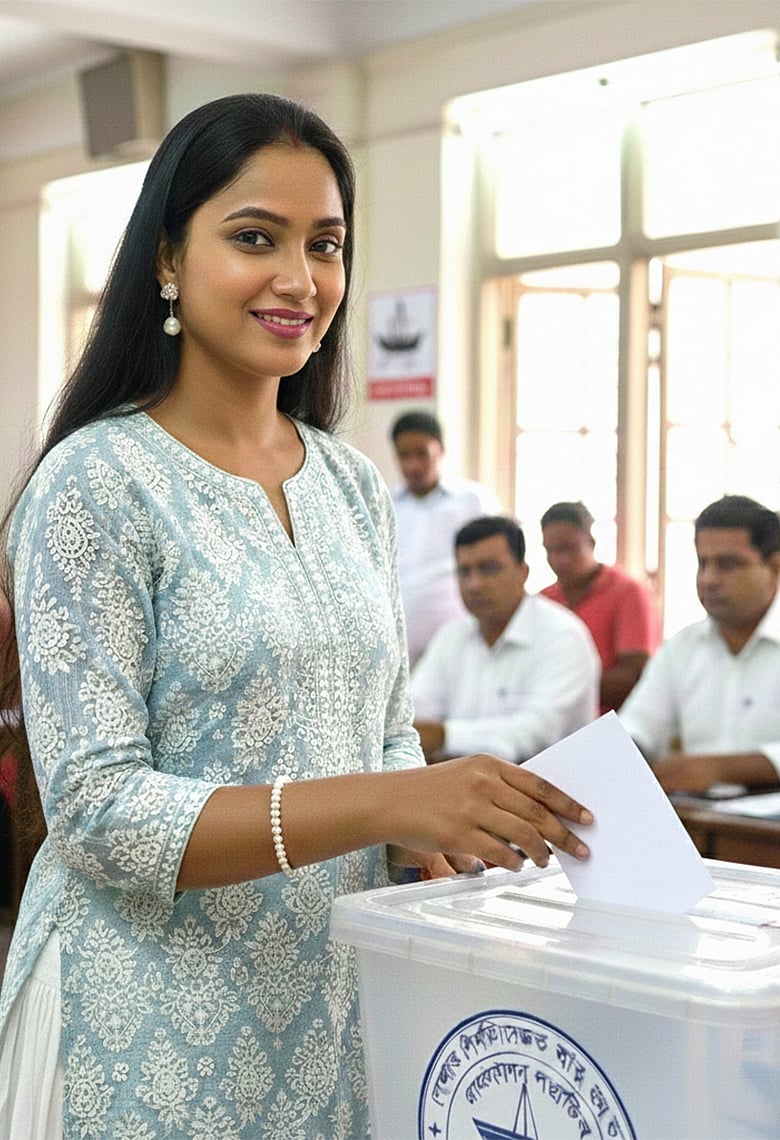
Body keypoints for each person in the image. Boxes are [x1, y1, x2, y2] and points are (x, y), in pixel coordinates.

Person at [0, 94, 594, 1139]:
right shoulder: (96, 482)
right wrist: (391, 803)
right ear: (167, 259)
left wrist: (435, 836)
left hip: (326, 1007)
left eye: (325, 244)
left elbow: (384, 731)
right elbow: (97, 810)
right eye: (254, 238)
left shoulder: (350, 485)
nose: (300, 279)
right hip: (138, 1019)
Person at [618, 494, 780, 795]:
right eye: (703, 563)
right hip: (697, 815)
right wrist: (620, 751)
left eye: (728, 564)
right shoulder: (682, 647)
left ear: (774, 567)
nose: (709, 579)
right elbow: (639, 724)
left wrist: (722, 769)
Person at [411, 516, 600, 764]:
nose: (474, 584)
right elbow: (414, 712)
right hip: (463, 783)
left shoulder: (563, 636)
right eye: (464, 572)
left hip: (550, 785)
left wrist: (443, 736)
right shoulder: (451, 636)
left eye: (489, 568)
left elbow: (534, 734)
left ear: (523, 572)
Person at [390, 410, 501, 666]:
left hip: (465, 648)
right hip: (401, 652)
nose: (413, 465)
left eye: (422, 454)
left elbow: (498, 565)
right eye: (404, 456)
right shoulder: (386, 506)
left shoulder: (473, 501)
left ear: (440, 449)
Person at [540, 501, 661, 713]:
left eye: (569, 549)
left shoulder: (628, 593)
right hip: (552, 722)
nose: (560, 560)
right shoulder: (543, 601)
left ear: (591, 543)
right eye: (551, 551)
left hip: (614, 723)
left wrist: (564, 687)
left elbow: (635, 676)